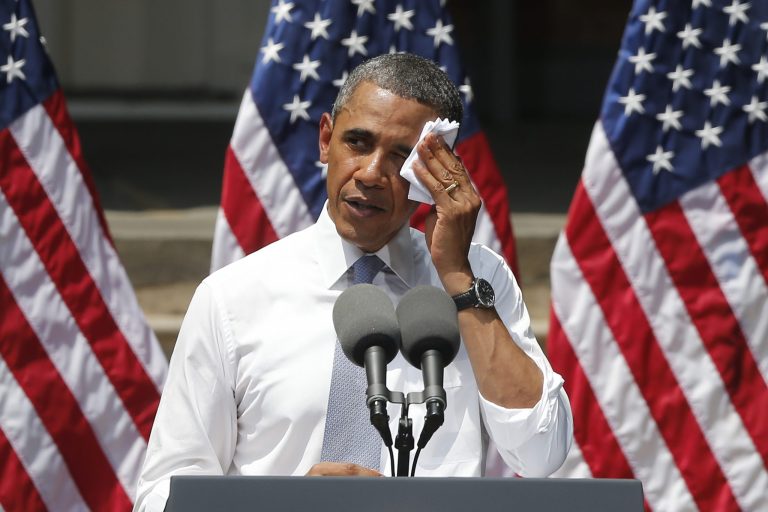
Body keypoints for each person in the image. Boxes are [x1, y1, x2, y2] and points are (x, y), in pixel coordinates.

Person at [134, 53, 573, 511]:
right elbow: (163, 495)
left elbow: (542, 452)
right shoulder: (232, 297)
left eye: (402, 155)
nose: (370, 173)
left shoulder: (479, 282)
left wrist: (459, 280)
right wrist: (281, 505)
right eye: (358, 143)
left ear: (437, 173)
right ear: (326, 140)